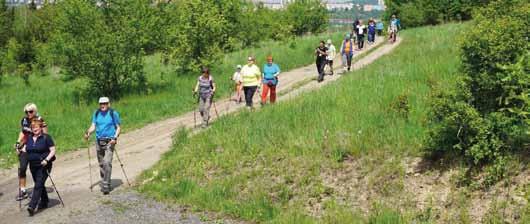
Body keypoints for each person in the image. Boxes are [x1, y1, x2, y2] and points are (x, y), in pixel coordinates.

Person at [84, 97, 121, 195]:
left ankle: (105, 185)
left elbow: (118, 127)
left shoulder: (113, 113)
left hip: (110, 141)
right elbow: (93, 126)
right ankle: (105, 179)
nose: (102, 105)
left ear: (109, 104)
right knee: (101, 164)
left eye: (104, 103)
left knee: (107, 162)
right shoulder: (96, 113)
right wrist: (88, 132)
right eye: (101, 104)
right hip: (99, 141)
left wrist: (115, 137)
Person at [14, 103, 48, 201]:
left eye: (30, 111)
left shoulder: (40, 119)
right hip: (25, 147)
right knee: (22, 168)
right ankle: (23, 190)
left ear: (35, 111)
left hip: (36, 147)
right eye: (26, 112)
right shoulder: (24, 120)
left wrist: (43, 147)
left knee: (37, 169)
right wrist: (18, 142)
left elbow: (45, 134)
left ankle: (38, 189)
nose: (28, 113)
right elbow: (23, 132)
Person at [23, 119, 56, 216]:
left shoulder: (46, 137)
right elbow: (26, 149)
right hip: (33, 165)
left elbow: (53, 150)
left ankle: (32, 206)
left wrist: (46, 160)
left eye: (37, 127)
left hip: (44, 165)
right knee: (39, 184)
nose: (35, 129)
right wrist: (19, 150)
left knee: (38, 185)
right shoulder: (29, 138)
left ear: (41, 128)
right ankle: (45, 201)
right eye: (33, 127)